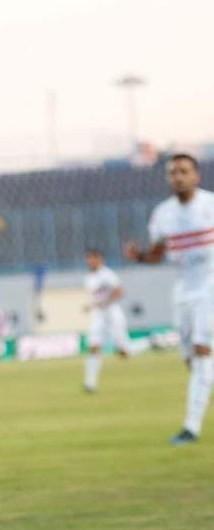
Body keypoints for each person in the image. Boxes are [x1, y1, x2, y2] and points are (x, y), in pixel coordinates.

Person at [125, 153, 214, 444]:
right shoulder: (163, 214)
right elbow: (157, 255)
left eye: (184, 171)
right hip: (184, 289)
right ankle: (200, 398)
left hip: (210, 284)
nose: (178, 177)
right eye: (173, 172)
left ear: (196, 176)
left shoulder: (210, 205)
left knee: (202, 350)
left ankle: (191, 427)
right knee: (190, 359)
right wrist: (139, 257)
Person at [82, 249, 130, 393]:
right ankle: (90, 384)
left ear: (99, 259)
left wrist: (106, 303)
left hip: (113, 314)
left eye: (92, 258)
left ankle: (152, 343)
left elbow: (120, 291)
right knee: (93, 346)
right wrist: (91, 306)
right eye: (88, 258)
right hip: (98, 316)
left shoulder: (107, 274)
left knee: (123, 353)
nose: (89, 261)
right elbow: (97, 298)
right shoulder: (89, 278)